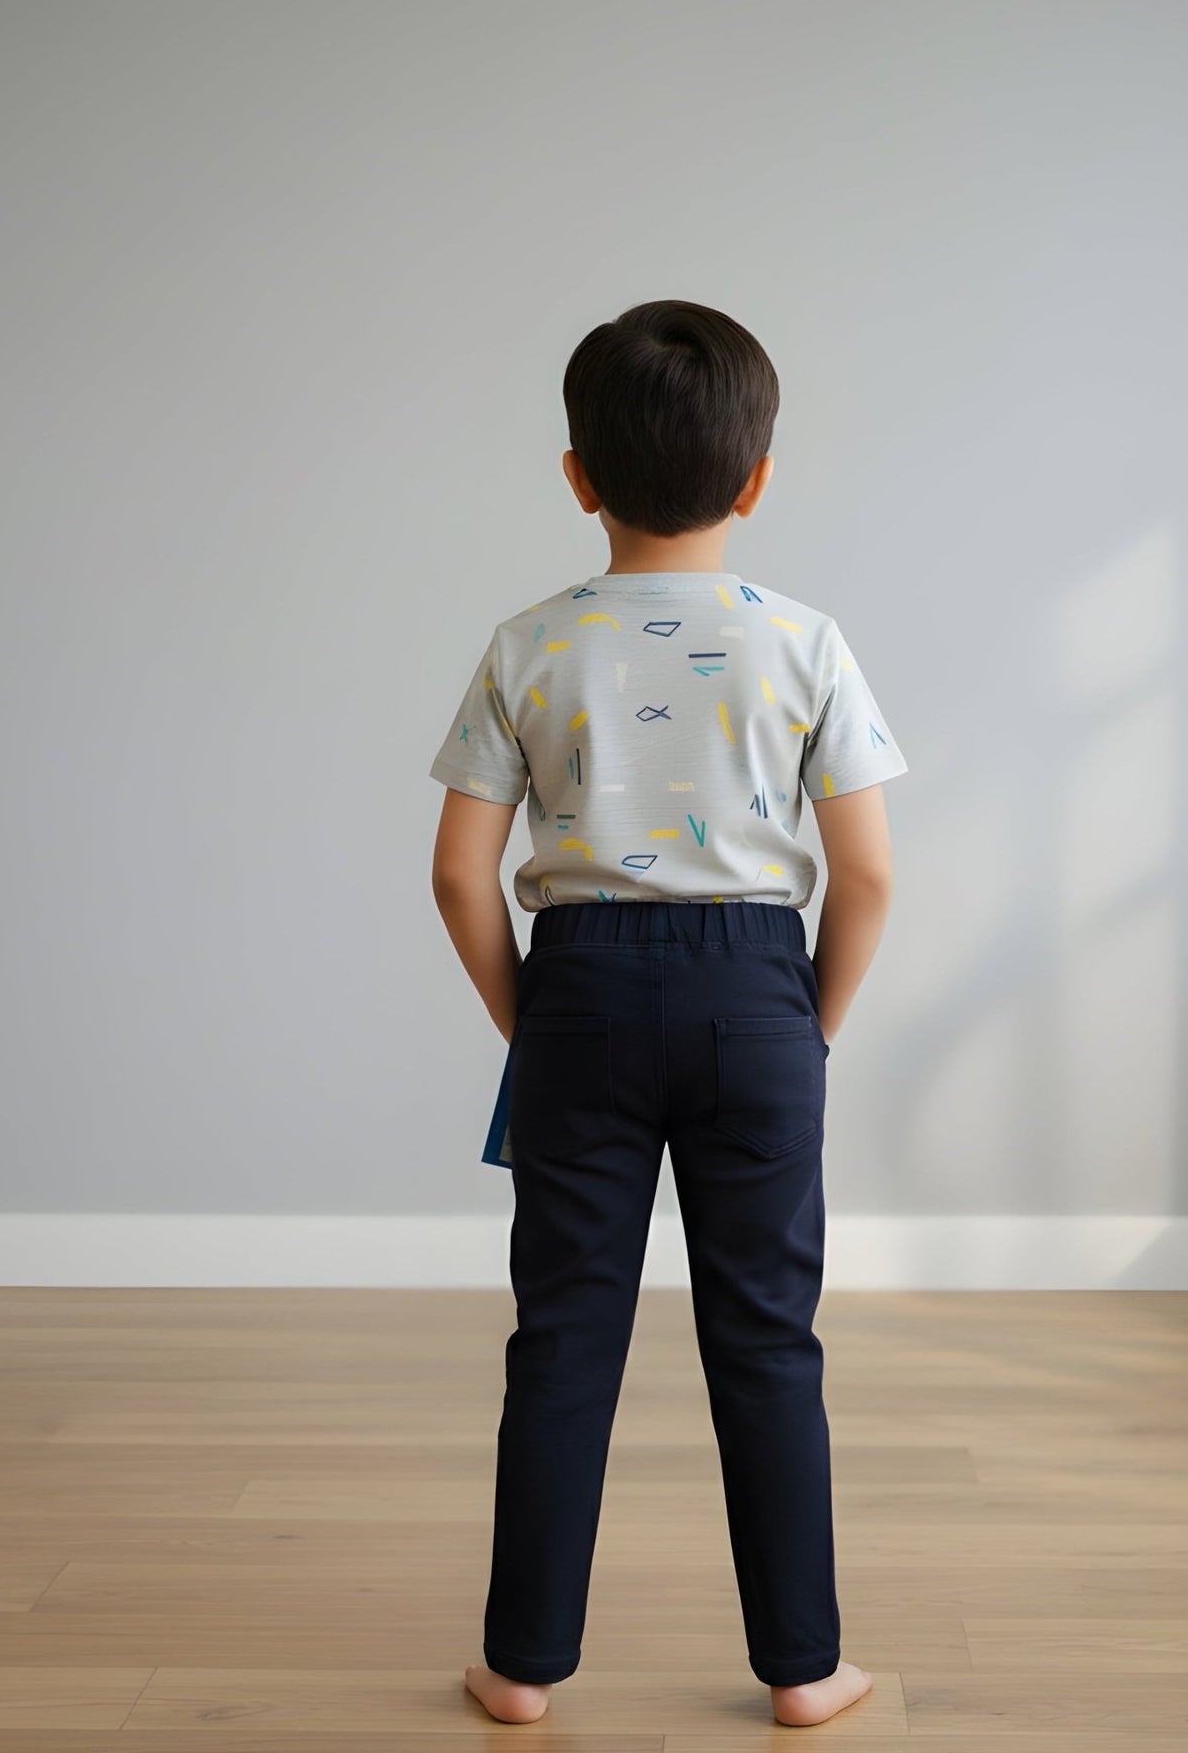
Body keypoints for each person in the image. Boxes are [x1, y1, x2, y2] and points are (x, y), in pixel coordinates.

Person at [429, 299, 907, 1728]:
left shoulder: (528, 643)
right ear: (755, 479)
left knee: (562, 1332)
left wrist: (536, 1022)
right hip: (759, 990)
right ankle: (806, 1670)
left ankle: (520, 1667)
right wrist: (803, 1027)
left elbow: (460, 874)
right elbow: (867, 874)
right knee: (766, 1334)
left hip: (575, 986)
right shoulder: (805, 641)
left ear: (576, 475)